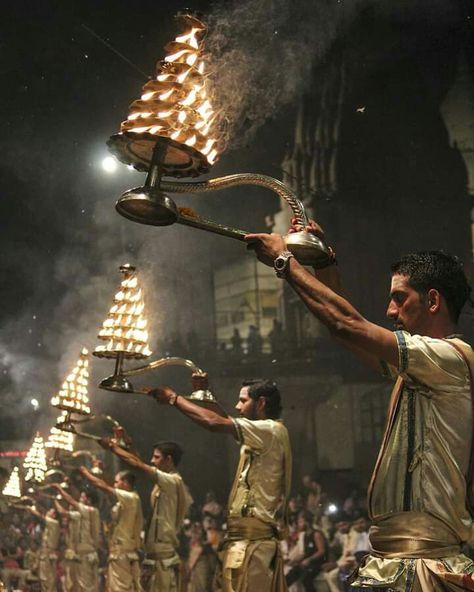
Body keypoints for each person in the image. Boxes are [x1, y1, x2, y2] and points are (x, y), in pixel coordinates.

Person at [246, 221, 474, 590]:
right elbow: (347, 327)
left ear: (432, 301)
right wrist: (324, 265)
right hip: (394, 560)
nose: (389, 310)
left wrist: (286, 263)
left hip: (424, 563)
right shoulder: (416, 366)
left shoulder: (451, 357)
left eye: (400, 298)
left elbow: (346, 324)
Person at [148, 376, 292, 592]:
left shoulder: (270, 430)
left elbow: (214, 423)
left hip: (255, 544)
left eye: (243, 401)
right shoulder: (259, 434)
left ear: (261, 403)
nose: (237, 406)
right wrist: (205, 396)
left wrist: (173, 398)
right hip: (242, 543)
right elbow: (224, 420)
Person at [99, 433, 191, 592]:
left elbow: (139, 466)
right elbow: (140, 464)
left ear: (169, 460)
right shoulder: (164, 481)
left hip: (163, 557)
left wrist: (113, 447)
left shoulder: (173, 481)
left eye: (156, 457)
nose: (152, 461)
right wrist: (128, 447)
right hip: (154, 556)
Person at [79, 467, 143, 592]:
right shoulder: (123, 502)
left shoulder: (131, 498)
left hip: (123, 553)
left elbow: (105, 487)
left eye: (116, 481)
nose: (114, 485)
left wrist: (87, 474)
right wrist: (100, 473)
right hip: (118, 553)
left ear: (125, 483)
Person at [51, 483, 101, 592]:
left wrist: (59, 489)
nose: (80, 500)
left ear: (89, 500)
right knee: (75, 585)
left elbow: (70, 500)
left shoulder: (91, 510)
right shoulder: (80, 515)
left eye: (83, 497)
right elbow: (62, 512)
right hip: (78, 554)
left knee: (86, 585)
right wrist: (54, 499)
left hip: (87, 554)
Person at [17, 505, 59, 592]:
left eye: (50, 512)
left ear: (54, 515)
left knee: (49, 581)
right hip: (43, 556)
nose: (47, 513)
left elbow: (41, 517)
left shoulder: (54, 523)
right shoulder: (47, 528)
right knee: (43, 581)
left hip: (49, 557)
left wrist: (32, 510)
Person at [285, 511, 328, 592]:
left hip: (317, 563)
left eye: (300, 521)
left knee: (306, 579)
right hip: (307, 563)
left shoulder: (316, 534)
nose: (298, 524)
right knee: (290, 575)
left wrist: (309, 559)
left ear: (307, 522)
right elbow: (304, 553)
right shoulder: (304, 535)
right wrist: (293, 561)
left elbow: (321, 551)